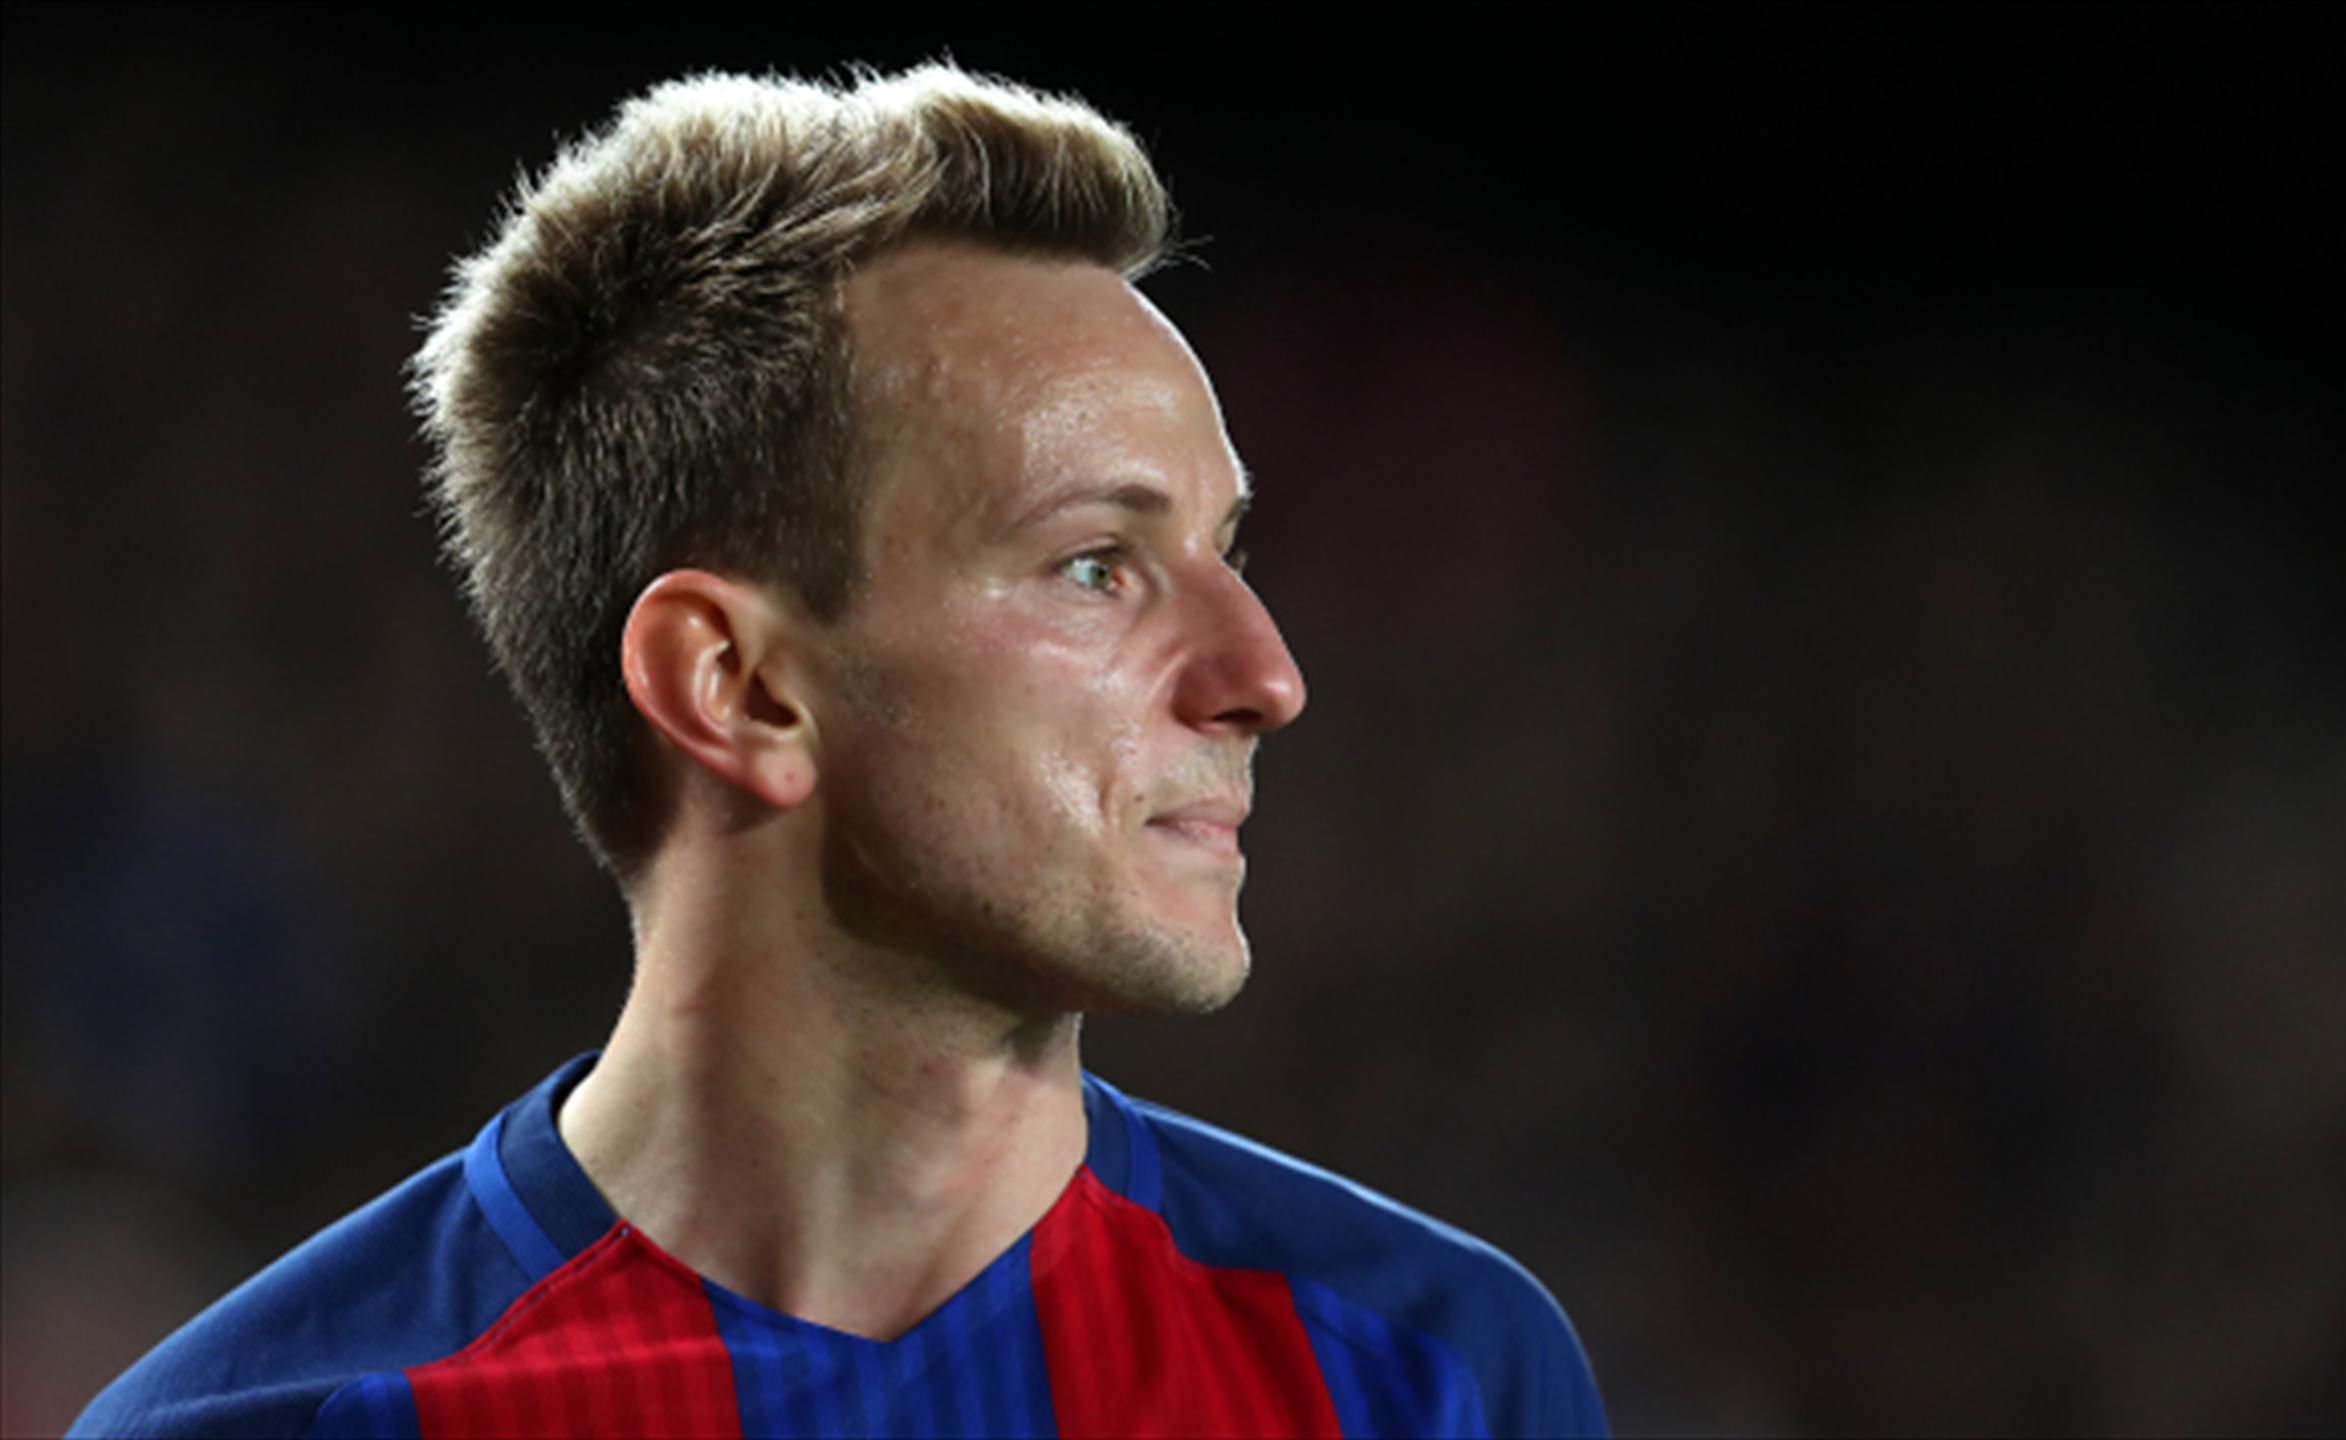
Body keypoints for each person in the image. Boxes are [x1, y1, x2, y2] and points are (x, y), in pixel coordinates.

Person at [75, 63, 1608, 1439]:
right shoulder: (276, 1425)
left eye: (1228, 550)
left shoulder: (1431, 1376)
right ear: (735, 685)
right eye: (1097, 564)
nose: (1262, 674)